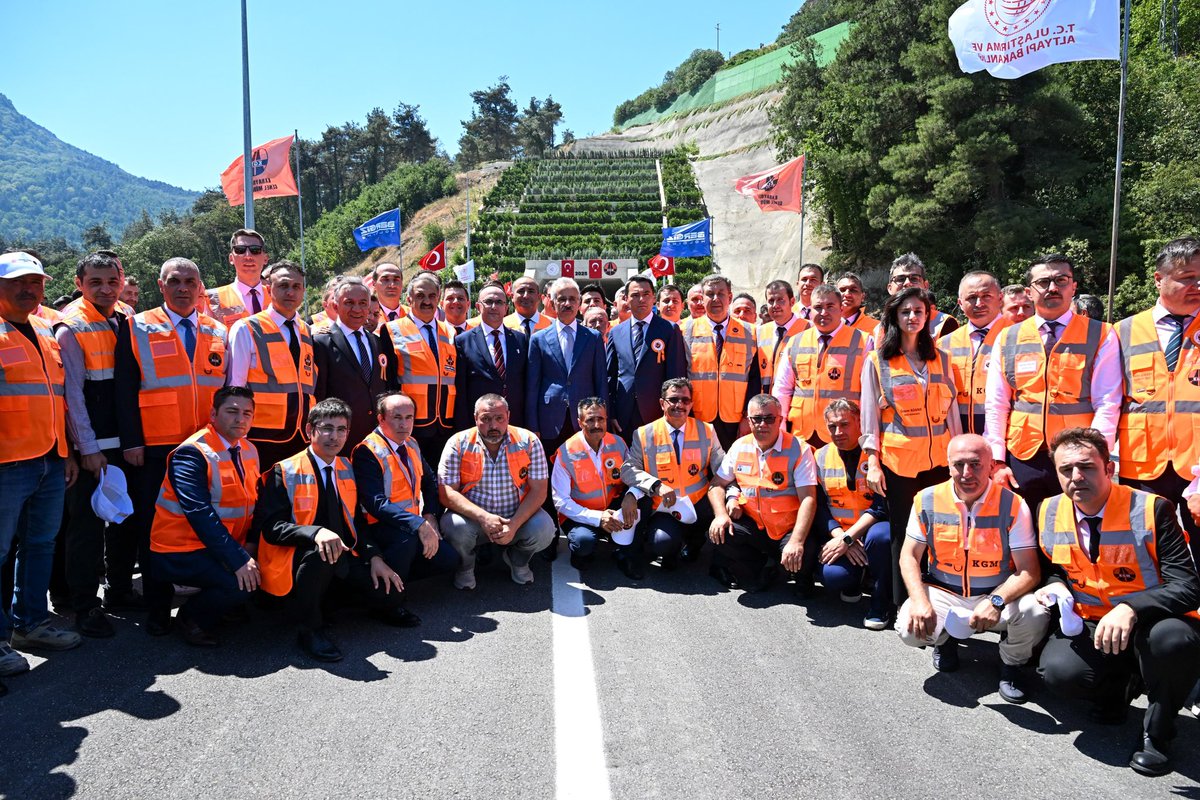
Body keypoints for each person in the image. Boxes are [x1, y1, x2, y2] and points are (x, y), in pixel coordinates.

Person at [1037, 428, 1200, 777]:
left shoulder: (1152, 508)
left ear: (1109, 469)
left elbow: (1188, 586)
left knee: (1172, 642)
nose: (1076, 477)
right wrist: (1054, 587)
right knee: (1058, 672)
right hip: (1095, 622)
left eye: (1087, 467)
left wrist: (1131, 608)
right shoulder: (1048, 511)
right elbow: (1054, 570)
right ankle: (1117, 689)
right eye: (1066, 469)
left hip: (1155, 621)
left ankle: (1158, 734)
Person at [254, 398, 416, 662]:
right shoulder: (284, 471)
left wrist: (375, 557)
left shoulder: (346, 468)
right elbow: (271, 528)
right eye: (327, 428)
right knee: (321, 554)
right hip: (297, 560)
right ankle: (309, 629)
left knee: (392, 596)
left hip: (343, 557)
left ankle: (330, 602)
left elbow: (357, 523)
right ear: (309, 430)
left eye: (342, 430)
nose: (334, 436)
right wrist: (315, 533)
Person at [115, 257, 227, 636]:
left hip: (205, 446)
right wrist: (131, 441)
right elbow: (124, 391)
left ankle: (210, 599)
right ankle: (158, 608)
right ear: (160, 286)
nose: (183, 288)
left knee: (209, 519)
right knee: (155, 529)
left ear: (200, 286)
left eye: (190, 281)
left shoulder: (218, 329)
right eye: (175, 281)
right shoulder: (138, 325)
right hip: (156, 445)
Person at [897, 434, 1048, 702]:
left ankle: (1010, 664)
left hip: (996, 594)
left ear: (992, 466)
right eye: (959, 465)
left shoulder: (1013, 504)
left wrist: (996, 600)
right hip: (946, 592)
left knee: (1035, 612)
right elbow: (909, 555)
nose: (966, 473)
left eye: (976, 464)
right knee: (909, 629)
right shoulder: (926, 499)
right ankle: (945, 642)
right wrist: (920, 602)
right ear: (948, 465)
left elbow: (1029, 570)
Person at [0, 252, 81, 688]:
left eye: (36, 282)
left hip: (49, 458)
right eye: (18, 282)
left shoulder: (46, 333)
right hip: (6, 463)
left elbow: (58, 400)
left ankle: (30, 622)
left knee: (39, 545)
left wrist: (66, 452)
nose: (28, 289)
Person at [987, 254, 1121, 515]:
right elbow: (996, 403)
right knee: (1026, 532)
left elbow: (1108, 401)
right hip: (1024, 454)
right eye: (1043, 282)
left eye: (1061, 280)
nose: (1052, 287)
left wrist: (1097, 455)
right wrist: (997, 460)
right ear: (1029, 291)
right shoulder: (1008, 337)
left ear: (1074, 286)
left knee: (1076, 528)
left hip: (1078, 455)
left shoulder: (1102, 333)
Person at [860, 287, 961, 605]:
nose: (913, 317)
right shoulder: (878, 362)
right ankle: (901, 604)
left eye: (918, 311)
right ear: (894, 317)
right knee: (903, 537)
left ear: (927, 316)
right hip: (899, 465)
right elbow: (870, 419)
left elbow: (952, 414)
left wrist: (958, 460)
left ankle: (936, 602)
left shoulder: (943, 360)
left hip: (940, 467)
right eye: (905, 312)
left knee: (937, 533)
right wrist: (873, 463)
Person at [56, 252, 138, 638]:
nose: (105, 288)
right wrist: (86, 447)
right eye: (95, 283)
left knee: (124, 519)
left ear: (121, 279)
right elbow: (72, 393)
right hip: (93, 445)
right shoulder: (71, 326)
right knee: (86, 529)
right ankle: (85, 606)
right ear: (79, 283)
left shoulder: (125, 315)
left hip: (125, 440)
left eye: (111, 280)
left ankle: (120, 590)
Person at [148, 387, 261, 647]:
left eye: (247, 413)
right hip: (180, 549)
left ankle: (223, 603)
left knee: (264, 569)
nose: (240, 419)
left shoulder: (249, 449)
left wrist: (252, 546)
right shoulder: (193, 452)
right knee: (239, 582)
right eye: (232, 412)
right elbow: (200, 514)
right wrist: (238, 559)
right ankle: (190, 619)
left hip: (218, 544)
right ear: (213, 414)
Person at [1115, 237, 1200, 565]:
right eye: (1186, 277)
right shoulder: (1122, 331)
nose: (1196, 285)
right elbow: (1110, 402)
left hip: (1195, 464)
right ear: (1158, 279)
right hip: (1142, 464)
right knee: (1149, 550)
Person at [438, 394, 555, 589]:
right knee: (453, 526)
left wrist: (515, 524)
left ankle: (518, 560)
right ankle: (466, 567)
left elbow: (539, 491)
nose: (493, 425)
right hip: (473, 520)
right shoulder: (457, 442)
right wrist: (483, 517)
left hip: (515, 517)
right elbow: (446, 492)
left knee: (545, 529)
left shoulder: (529, 441)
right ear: (476, 418)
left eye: (499, 418)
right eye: (486, 419)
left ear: (508, 416)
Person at [707, 395, 817, 593]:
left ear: (781, 420)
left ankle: (801, 574)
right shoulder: (740, 446)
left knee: (805, 553)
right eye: (756, 419)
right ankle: (766, 563)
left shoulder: (799, 449)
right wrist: (721, 515)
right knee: (720, 533)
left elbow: (809, 499)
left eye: (769, 418)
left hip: (788, 528)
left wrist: (796, 541)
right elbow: (716, 484)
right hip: (756, 526)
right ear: (748, 421)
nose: (762, 424)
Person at [353, 393, 459, 590]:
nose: (404, 424)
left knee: (450, 560)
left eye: (409, 417)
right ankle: (389, 597)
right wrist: (419, 524)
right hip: (379, 525)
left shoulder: (411, 443)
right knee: (407, 542)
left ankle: (398, 579)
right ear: (381, 419)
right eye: (397, 417)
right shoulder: (367, 451)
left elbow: (430, 482)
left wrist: (430, 515)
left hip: (409, 522)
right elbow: (375, 503)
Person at [620, 378, 724, 577]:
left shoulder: (707, 430)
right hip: (664, 507)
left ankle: (696, 545)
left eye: (685, 400)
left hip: (699, 502)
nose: (679, 405)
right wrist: (656, 485)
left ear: (691, 404)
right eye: (673, 399)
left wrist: (734, 496)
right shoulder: (644, 433)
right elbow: (628, 468)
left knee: (726, 507)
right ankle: (670, 548)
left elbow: (723, 467)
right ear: (662, 403)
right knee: (663, 543)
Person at [227, 259, 316, 470]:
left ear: (303, 291)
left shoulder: (306, 330)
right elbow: (235, 386)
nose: (290, 292)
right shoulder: (246, 328)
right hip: (261, 436)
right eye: (283, 286)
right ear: (268, 288)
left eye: (296, 287)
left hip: (301, 435)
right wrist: (238, 434)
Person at [813, 399, 892, 628]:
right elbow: (818, 506)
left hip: (870, 531)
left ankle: (880, 602)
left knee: (882, 536)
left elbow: (880, 507)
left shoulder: (878, 456)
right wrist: (840, 537)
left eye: (844, 424)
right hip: (839, 532)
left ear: (860, 423)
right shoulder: (819, 456)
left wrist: (850, 538)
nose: (838, 432)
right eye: (832, 426)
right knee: (833, 577)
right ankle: (854, 580)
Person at [773, 284, 868, 446]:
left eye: (830, 306)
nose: (824, 312)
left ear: (841, 309)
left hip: (845, 434)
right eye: (818, 307)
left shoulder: (863, 341)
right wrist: (780, 429)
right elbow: (782, 389)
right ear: (810, 311)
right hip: (802, 434)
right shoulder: (795, 342)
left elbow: (869, 394)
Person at [526, 277, 608, 459]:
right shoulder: (538, 339)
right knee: (551, 471)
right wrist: (533, 426)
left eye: (572, 299)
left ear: (579, 303)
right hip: (549, 419)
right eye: (562, 299)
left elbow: (601, 381)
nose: (567, 303)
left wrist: (603, 418)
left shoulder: (593, 337)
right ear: (553, 303)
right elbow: (532, 385)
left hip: (585, 417)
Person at [380, 271, 457, 464]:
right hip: (410, 424)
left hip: (445, 424)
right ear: (409, 298)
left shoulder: (450, 331)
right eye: (420, 296)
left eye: (432, 296)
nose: (427, 301)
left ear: (438, 298)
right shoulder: (392, 329)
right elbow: (388, 381)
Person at [551, 398, 634, 570]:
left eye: (601, 419)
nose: (596, 424)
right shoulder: (566, 452)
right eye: (590, 420)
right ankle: (584, 551)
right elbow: (560, 501)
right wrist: (597, 518)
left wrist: (630, 496)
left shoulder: (618, 443)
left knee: (641, 502)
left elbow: (634, 477)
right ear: (580, 422)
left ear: (606, 419)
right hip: (579, 514)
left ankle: (625, 551)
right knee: (584, 543)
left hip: (612, 505)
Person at [681, 274, 761, 450]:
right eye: (710, 294)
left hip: (735, 419)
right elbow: (681, 376)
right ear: (702, 298)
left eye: (721, 294)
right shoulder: (685, 331)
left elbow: (755, 379)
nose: (715, 299)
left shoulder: (750, 332)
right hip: (698, 417)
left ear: (730, 297)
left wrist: (747, 417)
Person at [606, 275, 687, 443]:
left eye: (646, 294)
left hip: (656, 412)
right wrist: (611, 413)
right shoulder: (616, 332)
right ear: (627, 299)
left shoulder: (669, 330)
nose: (641, 299)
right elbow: (610, 376)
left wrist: (672, 410)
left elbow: (676, 375)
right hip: (623, 414)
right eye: (635, 295)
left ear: (653, 297)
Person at [313, 277, 387, 453]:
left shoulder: (377, 342)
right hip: (338, 439)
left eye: (363, 303)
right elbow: (319, 394)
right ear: (336, 306)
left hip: (375, 439)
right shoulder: (321, 342)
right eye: (349, 303)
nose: (357, 309)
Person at [938, 271, 1008, 436]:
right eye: (971, 298)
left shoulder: (1017, 337)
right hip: (958, 435)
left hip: (1004, 434)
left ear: (1000, 298)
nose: (979, 303)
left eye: (986, 296)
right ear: (960, 303)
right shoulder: (944, 343)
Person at [453, 282, 528, 430]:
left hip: (514, 421)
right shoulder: (463, 341)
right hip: (480, 423)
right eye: (488, 302)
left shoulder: (521, 339)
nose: (494, 306)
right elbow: (461, 390)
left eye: (499, 302)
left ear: (506, 308)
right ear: (478, 306)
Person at [206, 229, 271, 328]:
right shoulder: (212, 300)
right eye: (240, 250)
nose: (248, 256)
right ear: (231, 259)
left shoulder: (277, 296)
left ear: (265, 259)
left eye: (255, 250)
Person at [885, 254, 958, 338]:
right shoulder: (880, 328)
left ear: (926, 286)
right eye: (900, 279)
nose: (907, 283)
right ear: (890, 288)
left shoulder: (945, 324)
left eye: (914, 279)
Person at [757, 279, 807, 394]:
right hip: (765, 401)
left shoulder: (808, 328)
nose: (775, 305)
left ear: (792, 301)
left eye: (780, 300)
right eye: (771, 301)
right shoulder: (759, 331)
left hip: (795, 399)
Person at [505, 276, 552, 340]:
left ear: (538, 297)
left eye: (531, 291)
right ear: (512, 297)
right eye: (521, 291)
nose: (526, 296)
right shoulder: (503, 325)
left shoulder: (552, 324)